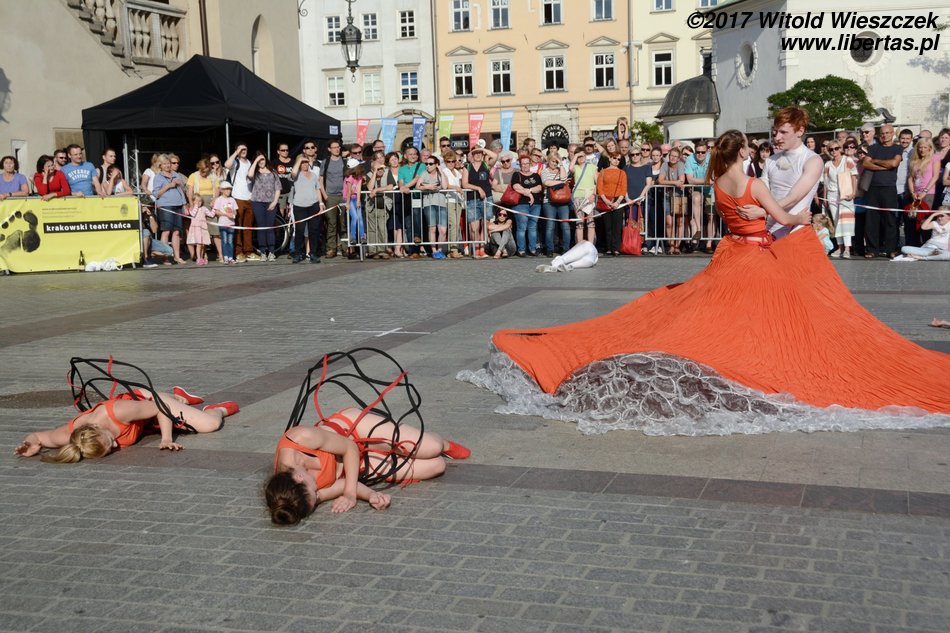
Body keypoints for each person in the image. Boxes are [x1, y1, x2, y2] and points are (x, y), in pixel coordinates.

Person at [476, 128, 950, 435]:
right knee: (763, 321)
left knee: (720, 313)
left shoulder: (719, 184)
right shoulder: (753, 183)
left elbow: (737, 214)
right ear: (743, 151)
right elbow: (784, 216)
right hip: (757, 255)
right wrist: (804, 217)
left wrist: (758, 216)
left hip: (731, 252)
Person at [265, 407, 469, 524]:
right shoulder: (299, 495)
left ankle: (444, 443)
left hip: (353, 432)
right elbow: (342, 485)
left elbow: (349, 448)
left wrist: (350, 495)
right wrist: (372, 495)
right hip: (359, 465)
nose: (318, 494)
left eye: (314, 493)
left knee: (432, 448)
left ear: (299, 477)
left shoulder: (302, 438)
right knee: (436, 466)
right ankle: (392, 449)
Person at [15, 388, 239, 462]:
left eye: (110, 441)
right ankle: (180, 398)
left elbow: (159, 407)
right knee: (182, 413)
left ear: (96, 428)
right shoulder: (73, 437)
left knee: (209, 425)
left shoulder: (117, 411)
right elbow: (39, 436)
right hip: (145, 420)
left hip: (148, 401)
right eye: (110, 449)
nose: (115, 446)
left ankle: (215, 408)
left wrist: (166, 439)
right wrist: (30, 444)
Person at [761, 107, 823, 239]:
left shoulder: (813, 160)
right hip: (768, 232)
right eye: (775, 132)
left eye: (783, 132)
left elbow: (793, 198)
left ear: (800, 131)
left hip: (796, 234)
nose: (777, 137)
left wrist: (762, 211)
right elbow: (761, 194)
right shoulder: (770, 161)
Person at [861, 124, 903, 257]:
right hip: (873, 187)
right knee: (872, 220)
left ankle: (890, 249)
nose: (885, 135)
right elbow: (866, 163)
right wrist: (885, 166)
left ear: (892, 134)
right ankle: (872, 249)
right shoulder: (874, 148)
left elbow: (894, 163)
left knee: (890, 219)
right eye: (882, 133)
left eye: (887, 133)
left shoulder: (897, 148)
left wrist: (875, 161)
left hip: (889, 187)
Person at [822, 141, 858, 258]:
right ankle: (840, 247)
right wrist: (825, 198)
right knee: (836, 221)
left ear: (840, 149)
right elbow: (826, 183)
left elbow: (854, 177)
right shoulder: (827, 164)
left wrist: (853, 192)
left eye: (836, 148)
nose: (834, 151)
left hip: (845, 193)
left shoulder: (847, 160)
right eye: (831, 149)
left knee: (846, 221)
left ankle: (847, 248)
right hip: (832, 194)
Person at [151, 154, 188, 264]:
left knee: (177, 232)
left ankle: (177, 256)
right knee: (166, 231)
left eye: (168, 163)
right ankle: (165, 257)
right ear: (160, 165)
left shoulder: (176, 175)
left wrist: (184, 204)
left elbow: (182, 191)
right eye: (165, 164)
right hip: (166, 206)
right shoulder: (158, 177)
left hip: (178, 205)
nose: (167, 165)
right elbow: (156, 193)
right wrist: (168, 186)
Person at [247, 153, 282, 262]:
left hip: (271, 202)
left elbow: (278, 188)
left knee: (270, 227)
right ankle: (262, 252)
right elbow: (249, 175)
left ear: (266, 160)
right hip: (257, 202)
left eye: (262, 159)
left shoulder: (273, 172)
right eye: (259, 160)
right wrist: (256, 160)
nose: (261, 162)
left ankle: (271, 252)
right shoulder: (255, 172)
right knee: (261, 227)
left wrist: (275, 202)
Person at [290, 154, 324, 264]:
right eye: (302, 162)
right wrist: (299, 159)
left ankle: (312, 253)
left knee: (313, 230)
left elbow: (317, 189)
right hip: (299, 206)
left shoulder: (313, 175)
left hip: (313, 205)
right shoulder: (296, 175)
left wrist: (321, 203)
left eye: (306, 162)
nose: (304, 164)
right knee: (299, 231)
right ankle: (298, 253)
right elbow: (293, 172)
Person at [225, 143, 256, 262]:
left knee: (248, 227)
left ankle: (248, 251)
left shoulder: (249, 162)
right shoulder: (235, 162)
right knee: (238, 226)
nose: (243, 151)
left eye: (245, 149)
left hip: (250, 198)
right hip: (238, 198)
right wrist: (236, 153)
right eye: (241, 149)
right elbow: (226, 165)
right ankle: (238, 252)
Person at [461, 146, 493, 259]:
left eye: (480, 153)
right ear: (472, 155)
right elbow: (464, 184)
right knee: (474, 227)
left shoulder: (486, 165)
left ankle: (482, 249)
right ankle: (476, 248)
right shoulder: (467, 167)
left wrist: (483, 149)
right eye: (475, 153)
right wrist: (478, 188)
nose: (478, 155)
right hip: (472, 199)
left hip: (486, 198)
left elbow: (495, 156)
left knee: (485, 225)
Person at [510, 153, 543, 257]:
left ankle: (532, 249)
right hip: (521, 204)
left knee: (533, 227)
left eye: (527, 163)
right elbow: (516, 187)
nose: (525, 166)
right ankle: (521, 250)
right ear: (520, 165)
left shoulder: (536, 175)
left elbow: (539, 188)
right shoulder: (516, 175)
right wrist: (530, 195)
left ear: (530, 164)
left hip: (536, 205)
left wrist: (529, 191)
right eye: (523, 164)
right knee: (522, 227)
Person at [540, 151, 572, 256]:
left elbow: (564, 177)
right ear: (548, 161)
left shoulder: (561, 169)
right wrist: (562, 183)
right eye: (553, 161)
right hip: (549, 202)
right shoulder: (544, 171)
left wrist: (561, 164)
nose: (555, 163)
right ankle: (550, 249)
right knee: (550, 225)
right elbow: (546, 182)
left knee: (565, 225)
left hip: (563, 201)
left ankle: (566, 248)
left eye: (556, 161)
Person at [596, 151, 627, 256]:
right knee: (607, 225)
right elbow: (600, 188)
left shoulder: (622, 173)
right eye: (614, 158)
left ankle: (616, 248)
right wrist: (606, 200)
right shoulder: (603, 172)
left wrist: (618, 201)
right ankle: (608, 248)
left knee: (617, 226)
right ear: (609, 158)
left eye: (619, 159)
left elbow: (624, 189)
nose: (616, 161)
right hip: (606, 199)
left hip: (618, 199)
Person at [320, 139, 347, 258]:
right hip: (330, 196)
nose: (337, 149)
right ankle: (331, 248)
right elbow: (320, 179)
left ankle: (346, 248)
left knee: (343, 223)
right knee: (331, 223)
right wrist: (325, 195)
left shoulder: (344, 161)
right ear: (329, 149)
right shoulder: (325, 162)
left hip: (343, 196)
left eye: (338, 147)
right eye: (334, 147)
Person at [657, 147, 687, 255]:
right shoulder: (665, 165)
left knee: (679, 221)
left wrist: (670, 182)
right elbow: (660, 180)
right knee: (669, 222)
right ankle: (671, 245)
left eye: (675, 156)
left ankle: (677, 246)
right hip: (667, 196)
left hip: (679, 195)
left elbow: (682, 180)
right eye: (671, 156)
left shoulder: (681, 165)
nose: (672, 158)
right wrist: (674, 182)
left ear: (679, 158)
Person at [418, 156, 448, 259]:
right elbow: (417, 186)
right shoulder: (424, 173)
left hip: (441, 203)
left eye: (430, 164)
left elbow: (445, 186)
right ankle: (434, 251)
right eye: (426, 164)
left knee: (443, 230)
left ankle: (440, 250)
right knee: (432, 228)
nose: (428, 166)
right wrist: (427, 187)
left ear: (436, 165)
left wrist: (441, 171)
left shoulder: (440, 173)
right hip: (429, 203)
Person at [439, 150, 465, 258]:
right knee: (453, 224)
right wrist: (456, 188)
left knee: (456, 225)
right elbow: (446, 185)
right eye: (448, 161)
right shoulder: (444, 171)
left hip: (458, 200)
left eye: (453, 161)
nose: (451, 163)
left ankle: (452, 250)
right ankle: (453, 249)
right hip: (449, 200)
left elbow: (462, 183)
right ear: (445, 162)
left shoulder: (457, 172)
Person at [211, 182, 237, 264]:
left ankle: (231, 257)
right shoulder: (219, 199)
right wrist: (226, 214)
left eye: (229, 189)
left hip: (231, 224)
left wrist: (233, 214)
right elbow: (216, 211)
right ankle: (225, 257)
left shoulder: (232, 199)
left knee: (230, 241)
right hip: (222, 223)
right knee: (224, 241)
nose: (228, 191)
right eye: (226, 189)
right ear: (222, 190)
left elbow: (235, 210)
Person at [534, 240, 599, 273]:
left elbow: (581, 243)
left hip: (588, 248)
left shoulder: (586, 243)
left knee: (564, 259)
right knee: (570, 264)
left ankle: (556, 263)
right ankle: (563, 265)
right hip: (591, 261)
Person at [185, 194, 214, 265]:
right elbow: (193, 214)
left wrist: (213, 208)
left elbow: (211, 215)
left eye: (200, 201)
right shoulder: (192, 208)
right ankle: (198, 258)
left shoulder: (204, 208)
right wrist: (195, 206)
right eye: (197, 201)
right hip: (196, 228)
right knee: (198, 244)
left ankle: (202, 257)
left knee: (203, 245)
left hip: (203, 228)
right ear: (193, 201)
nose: (198, 202)